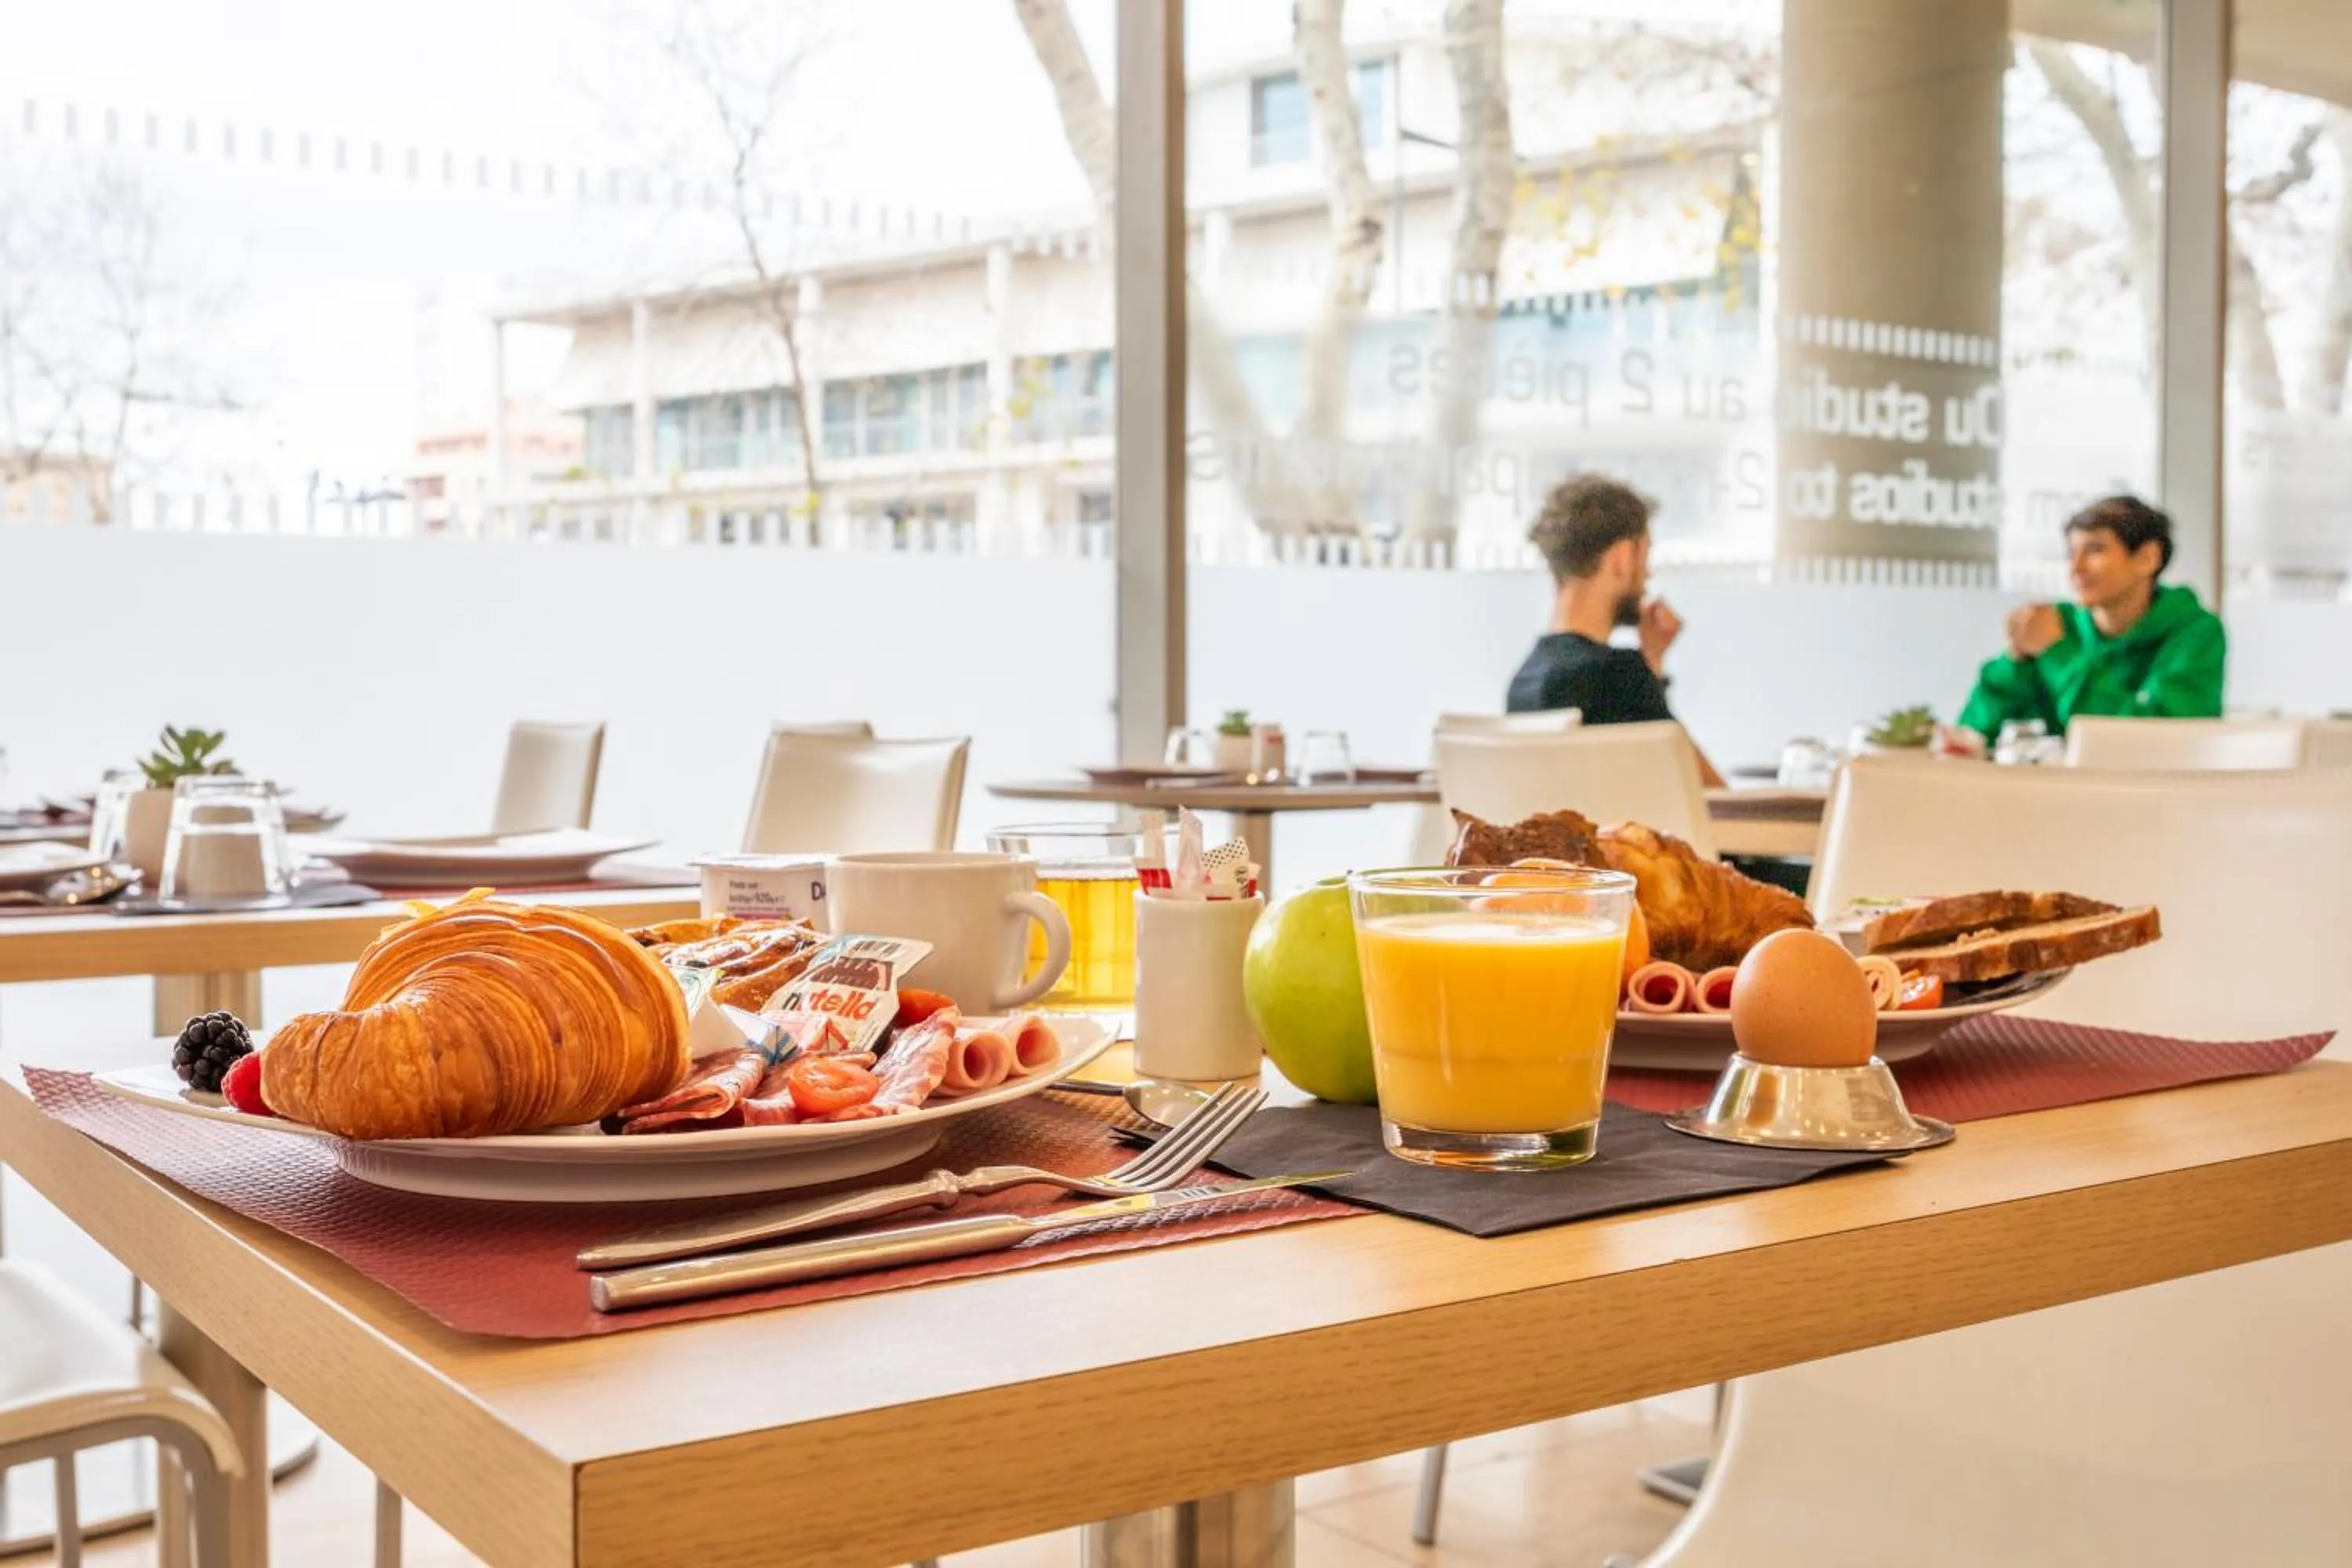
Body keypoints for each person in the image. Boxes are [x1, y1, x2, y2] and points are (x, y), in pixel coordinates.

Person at [1506, 473, 1724, 785]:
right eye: (1645, 557)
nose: (1647, 575)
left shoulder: (1525, 683)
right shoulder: (1617, 677)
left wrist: (1652, 662)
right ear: (1622, 557)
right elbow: (1711, 796)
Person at [1958, 495, 2226, 739]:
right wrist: (2014, 663)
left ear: (2147, 558)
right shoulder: (2057, 624)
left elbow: (2156, 741)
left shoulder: (2197, 633)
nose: (2076, 568)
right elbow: (1971, 735)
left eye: (2095, 550)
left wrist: (2056, 652)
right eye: (2071, 553)